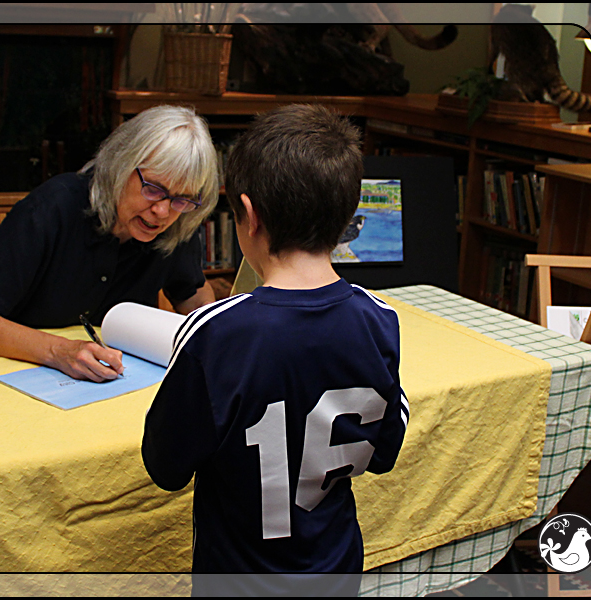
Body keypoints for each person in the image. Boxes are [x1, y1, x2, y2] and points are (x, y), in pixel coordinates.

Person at [141, 104, 409, 596]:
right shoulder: (379, 319)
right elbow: (386, 449)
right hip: (336, 572)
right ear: (347, 217)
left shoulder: (217, 332)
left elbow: (165, 464)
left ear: (247, 214)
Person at [0, 105, 219, 381]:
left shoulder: (176, 222)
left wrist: (220, 336)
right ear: (120, 165)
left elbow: (194, 296)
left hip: (116, 386)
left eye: (182, 199)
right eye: (152, 189)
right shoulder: (52, 209)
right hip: (16, 373)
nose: (163, 212)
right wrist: (59, 352)